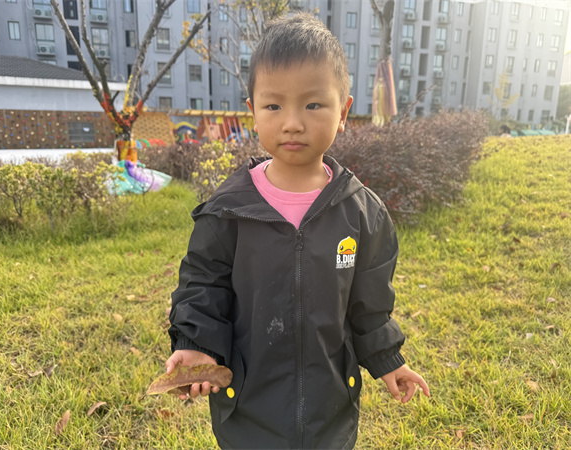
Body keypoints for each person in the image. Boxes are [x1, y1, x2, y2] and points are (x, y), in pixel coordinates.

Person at [166, 13, 429, 449]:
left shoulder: (363, 213)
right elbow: (202, 284)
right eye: (274, 106)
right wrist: (197, 342)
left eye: (312, 105)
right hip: (247, 408)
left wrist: (388, 359)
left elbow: (369, 306)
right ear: (252, 112)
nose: (292, 122)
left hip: (330, 409)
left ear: (343, 112)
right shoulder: (228, 210)